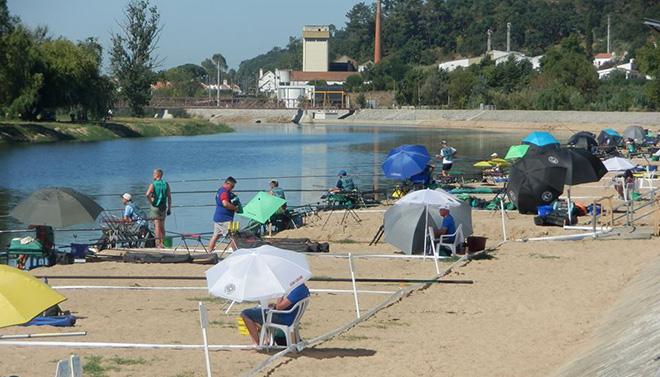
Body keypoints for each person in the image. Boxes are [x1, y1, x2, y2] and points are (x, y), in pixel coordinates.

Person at [240, 283, 310, 347]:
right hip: (289, 316)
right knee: (257, 312)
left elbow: (279, 307)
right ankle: (266, 336)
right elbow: (285, 305)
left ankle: (256, 344)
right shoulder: (303, 288)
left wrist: (281, 294)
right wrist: (275, 305)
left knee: (246, 314)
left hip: (284, 318)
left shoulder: (297, 291)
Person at [208, 177, 239, 252]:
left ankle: (209, 252)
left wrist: (232, 195)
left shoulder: (220, 191)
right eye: (231, 186)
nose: (232, 188)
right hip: (225, 219)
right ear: (227, 183)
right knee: (233, 236)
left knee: (215, 236)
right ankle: (234, 252)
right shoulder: (224, 192)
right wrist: (235, 208)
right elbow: (225, 204)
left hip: (218, 217)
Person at [145, 169, 172, 249]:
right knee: (162, 226)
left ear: (157, 175)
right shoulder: (166, 184)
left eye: (154, 174)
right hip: (163, 206)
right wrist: (169, 208)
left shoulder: (153, 184)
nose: (153, 175)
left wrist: (151, 201)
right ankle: (163, 242)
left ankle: (158, 243)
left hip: (155, 207)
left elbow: (147, 194)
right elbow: (169, 196)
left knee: (156, 225)